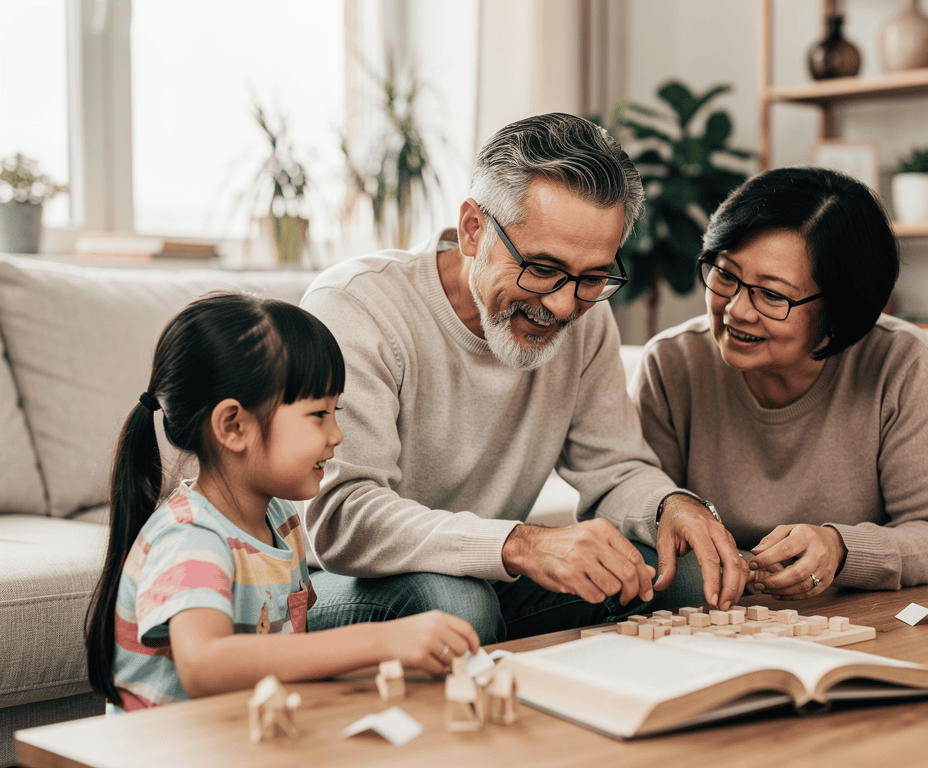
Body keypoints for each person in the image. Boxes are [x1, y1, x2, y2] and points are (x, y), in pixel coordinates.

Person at [301, 113, 749, 644]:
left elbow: (613, 468)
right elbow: (342, 518)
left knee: (688, 576)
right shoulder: (357, 307)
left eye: (592, 277)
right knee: (458, 606)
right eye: (541, 268)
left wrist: (671, 506)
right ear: (474, 229)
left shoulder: (588, 321)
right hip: (335, 582)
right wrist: (521, 545)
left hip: (490, 573)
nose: (562, 306)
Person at [84, 292, 479, 713]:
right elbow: (204, 666)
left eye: (336, 411)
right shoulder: (189, 536)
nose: (337, 435)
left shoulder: (281, 519)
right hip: (173, 743)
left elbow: (290, 651)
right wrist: (381, 640)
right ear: (234, 426)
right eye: (319, 415)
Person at [630, 166, 928, 598]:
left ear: (839, 308)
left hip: (914, 608)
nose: (736, 310)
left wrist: (840, 549)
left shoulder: (903, 363)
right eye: (725, 275)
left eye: (772, 295)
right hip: (748, 614)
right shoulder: (672, 363)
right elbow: (646, 519)